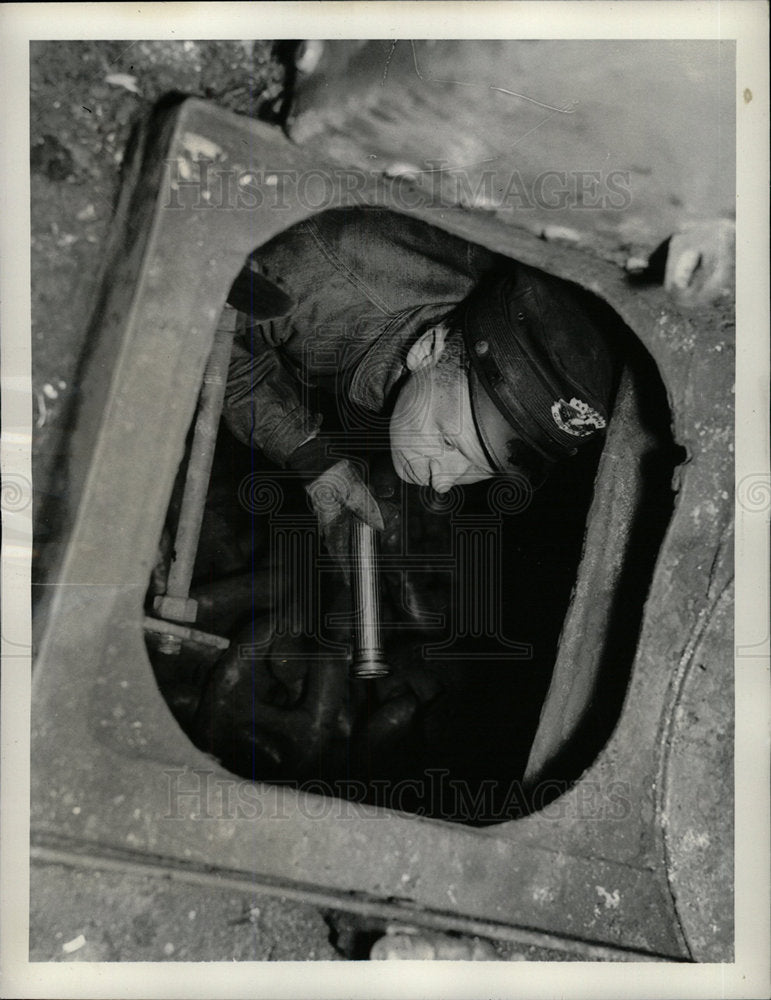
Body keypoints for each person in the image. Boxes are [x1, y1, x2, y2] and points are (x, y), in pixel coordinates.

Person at [223, 206, 618, 564]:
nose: (443, 484)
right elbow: (214, 334)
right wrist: (298, 444)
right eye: (449, 442)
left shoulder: (458, 348)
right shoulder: (319, 278)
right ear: (428, 349)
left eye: (482, 469)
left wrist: (315, 458)